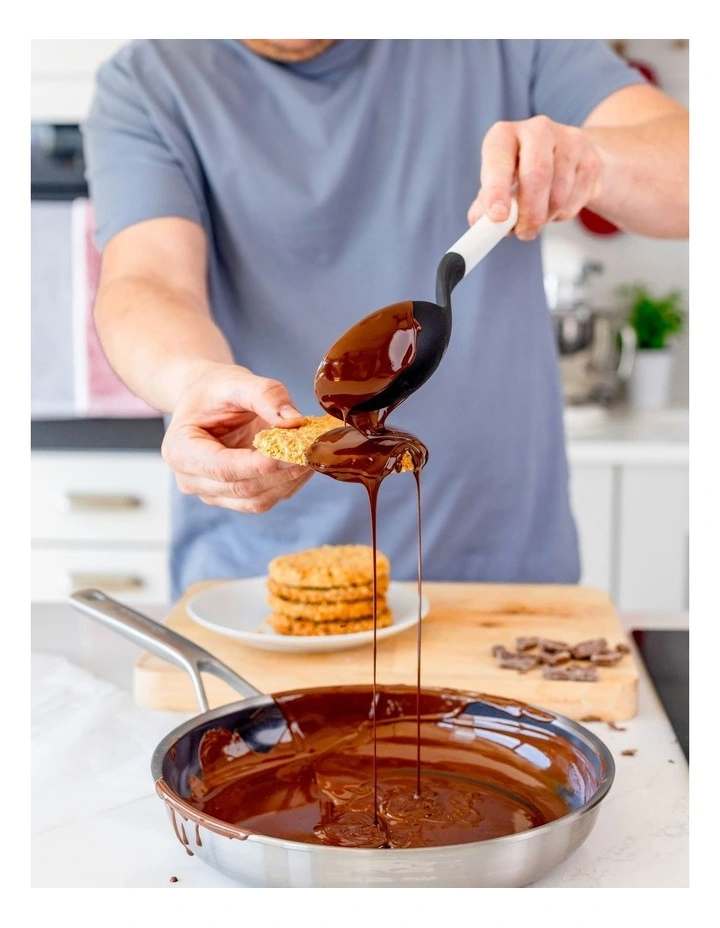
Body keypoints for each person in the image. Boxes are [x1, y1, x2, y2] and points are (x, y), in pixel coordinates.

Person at [83, 40, 688, 599]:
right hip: (259, 585)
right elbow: (147, 280)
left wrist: (595, 160)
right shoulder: (148, 81)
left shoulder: (505, 34)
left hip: (502, 579)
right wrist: (193, 381)